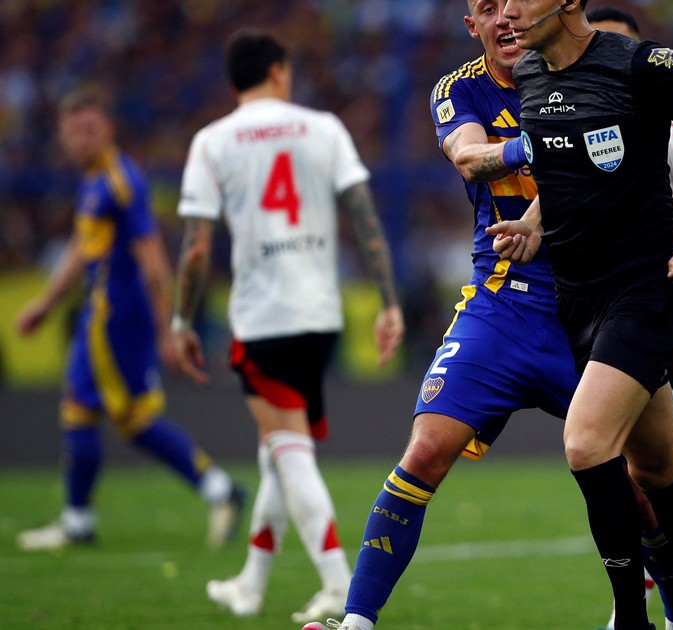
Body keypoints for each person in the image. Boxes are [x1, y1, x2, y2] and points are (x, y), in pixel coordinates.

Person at [304, 4, 673, 630]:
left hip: (593, 303)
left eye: (512, 4)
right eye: (487, 9)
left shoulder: (584, 75)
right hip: (502, 305)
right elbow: (468, 157)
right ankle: (356, 622)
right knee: (425, 451)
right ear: (474, 26)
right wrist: (539, 141)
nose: (504, 19)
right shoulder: (460, 89)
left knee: (639, 483)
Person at [490, 2, 673, 629]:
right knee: (658, 467)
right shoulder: (529, 73)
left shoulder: (641, 65)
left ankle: (631, 620)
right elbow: (562, 171)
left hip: (646, 293)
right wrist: (533, 225)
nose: (506, 11)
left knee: (586, 444)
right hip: (577, 299)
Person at [171, 29, 404, 624]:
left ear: (234, 81)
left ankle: (337, 582)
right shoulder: (323, 127)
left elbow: (196, 249)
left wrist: (181, 319)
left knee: (288, 448)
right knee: (276, 447)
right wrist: (388, 302)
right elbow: (364, 218)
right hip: (319, 312)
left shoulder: (212, 141)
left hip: (263, 314)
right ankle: (251, 584)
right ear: (278, 70)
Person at [13, 89, 246, 553]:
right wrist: (47, 302)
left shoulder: (122, 182)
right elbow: (82, 247)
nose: (80, 140)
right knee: (102, 413)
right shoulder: (94, 180)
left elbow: (153, 261)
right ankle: (85, 518)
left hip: (118, 316)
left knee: (114, 414)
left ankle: (212, 491)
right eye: (73, 131)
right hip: (101, 312)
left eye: (90, 130)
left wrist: (168, 328)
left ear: (109, 129)